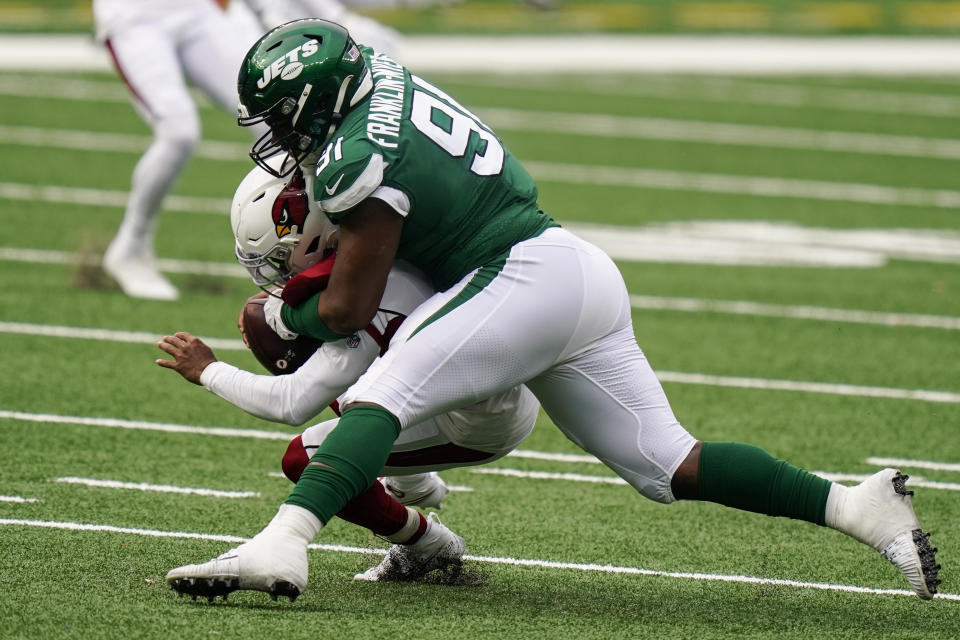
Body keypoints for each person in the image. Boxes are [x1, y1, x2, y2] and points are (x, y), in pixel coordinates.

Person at [166, 19, 940, 603]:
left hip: (519, 275)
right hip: (574, 270)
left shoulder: (353, 157)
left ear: (316, 102)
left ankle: (282, 541)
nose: (279, 138)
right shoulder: (384, 80)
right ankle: (858, 506)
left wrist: (285, 319)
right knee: (668, 463)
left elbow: (348, 308)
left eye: (283, 117)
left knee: (378, 397)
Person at [158, 162, 538, 590]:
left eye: (283, 258)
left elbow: (291, 402)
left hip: (476, 421)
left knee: (307, 455)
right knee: (371, 382)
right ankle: (413, 485)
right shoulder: (393, 230)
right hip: (491, 382)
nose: (280, 275)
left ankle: (429, 544)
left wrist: (209, 370)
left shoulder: (369, 292)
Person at [93, 0, 270, 301]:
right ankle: (132, 247)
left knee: (271, 116)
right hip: (134, 14)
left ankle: (301, 246)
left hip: (196, 8)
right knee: (178, 132)